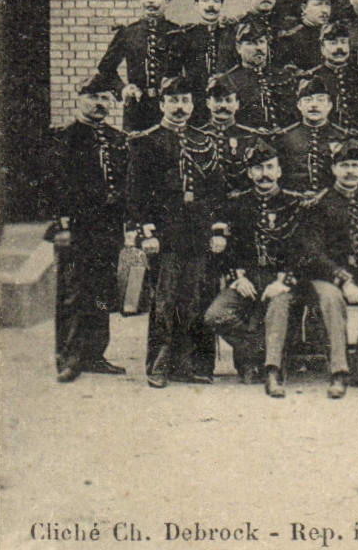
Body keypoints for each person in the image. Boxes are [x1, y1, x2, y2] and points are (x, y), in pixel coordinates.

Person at [129, 76, 218, 387]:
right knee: (164, 301)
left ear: (193, 106)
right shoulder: (148, 142)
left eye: (185, 101)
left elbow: (213, 192)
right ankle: (158, 366)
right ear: (162, 104)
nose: (180, 108)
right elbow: (138, 195)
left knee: (191, 300)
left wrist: (216, 229)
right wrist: (146, 233)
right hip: (166, 236)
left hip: (197, 234)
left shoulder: (204, 141)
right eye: (173, 101)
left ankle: (185, 364)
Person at [203, 141, 307, 398]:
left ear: (279, 171)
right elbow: (226, 248)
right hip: (248, 277)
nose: (264, 174)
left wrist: (284, 279)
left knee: (279, 305)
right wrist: (236, 278)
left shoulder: (295, 204)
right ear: (249, 174)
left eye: (270, 167)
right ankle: (263, 351)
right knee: (215, 315)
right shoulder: (237, 204)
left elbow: (303, 248)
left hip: (281, 279)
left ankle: (272, 372)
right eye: (258, 168)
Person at [45, 73, 130, 383]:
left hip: (107, 229)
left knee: (101, 293)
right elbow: (54, 185)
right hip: (77, 229)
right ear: (79, 98)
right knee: (72, 293)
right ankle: (68, 358)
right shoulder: (64, 137)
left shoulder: (118, 138)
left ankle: (95, 354)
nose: (100, 103)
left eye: (106, 97)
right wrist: (62, 224)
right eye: (93, 97)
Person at [298, 139, 358, 392]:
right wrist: (343, 279)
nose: (350, 171)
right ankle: (339, 371)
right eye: (344, 165)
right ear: (334, 170)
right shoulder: (319, 205)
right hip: (327, 276)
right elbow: (313, 251)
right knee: (332, 300)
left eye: (355, 165)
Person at [98, 0, 182, 132]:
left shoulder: (177, 33)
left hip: (169, 109)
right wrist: (123, 89)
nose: (151, 0)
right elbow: (105, 68)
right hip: (136, 110)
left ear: (167, 1)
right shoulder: (128, 33)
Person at [275, 73, 358, 193]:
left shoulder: (343, 137)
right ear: (299, 105)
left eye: (320, 100)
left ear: (330, 105)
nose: (314, 105)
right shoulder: (285, 138)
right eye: (307, 100)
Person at [220, 18, 295, 133]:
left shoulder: (285, 76)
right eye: (251, 43)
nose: (258, 48)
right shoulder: (227, 81)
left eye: (261, 42)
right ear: (239, 48)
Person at [179, 0, 238, 105]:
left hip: (224, 99)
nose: (211, 5)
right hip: (196, 101)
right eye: (205, 0)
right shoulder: (186, 35)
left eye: (216, 0)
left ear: (222, 4)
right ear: (196, 4)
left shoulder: (231, 34)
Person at [305, 20, 358, 134]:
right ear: (322, 48)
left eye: (343, 42)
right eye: (333, 43)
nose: (339, 48)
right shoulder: (311, 78)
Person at [274, 0, 336, 74]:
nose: (324, 10)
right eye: (318, 4)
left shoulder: (334, 35)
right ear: (304, 8)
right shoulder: (291, 38)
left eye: (327, 4)